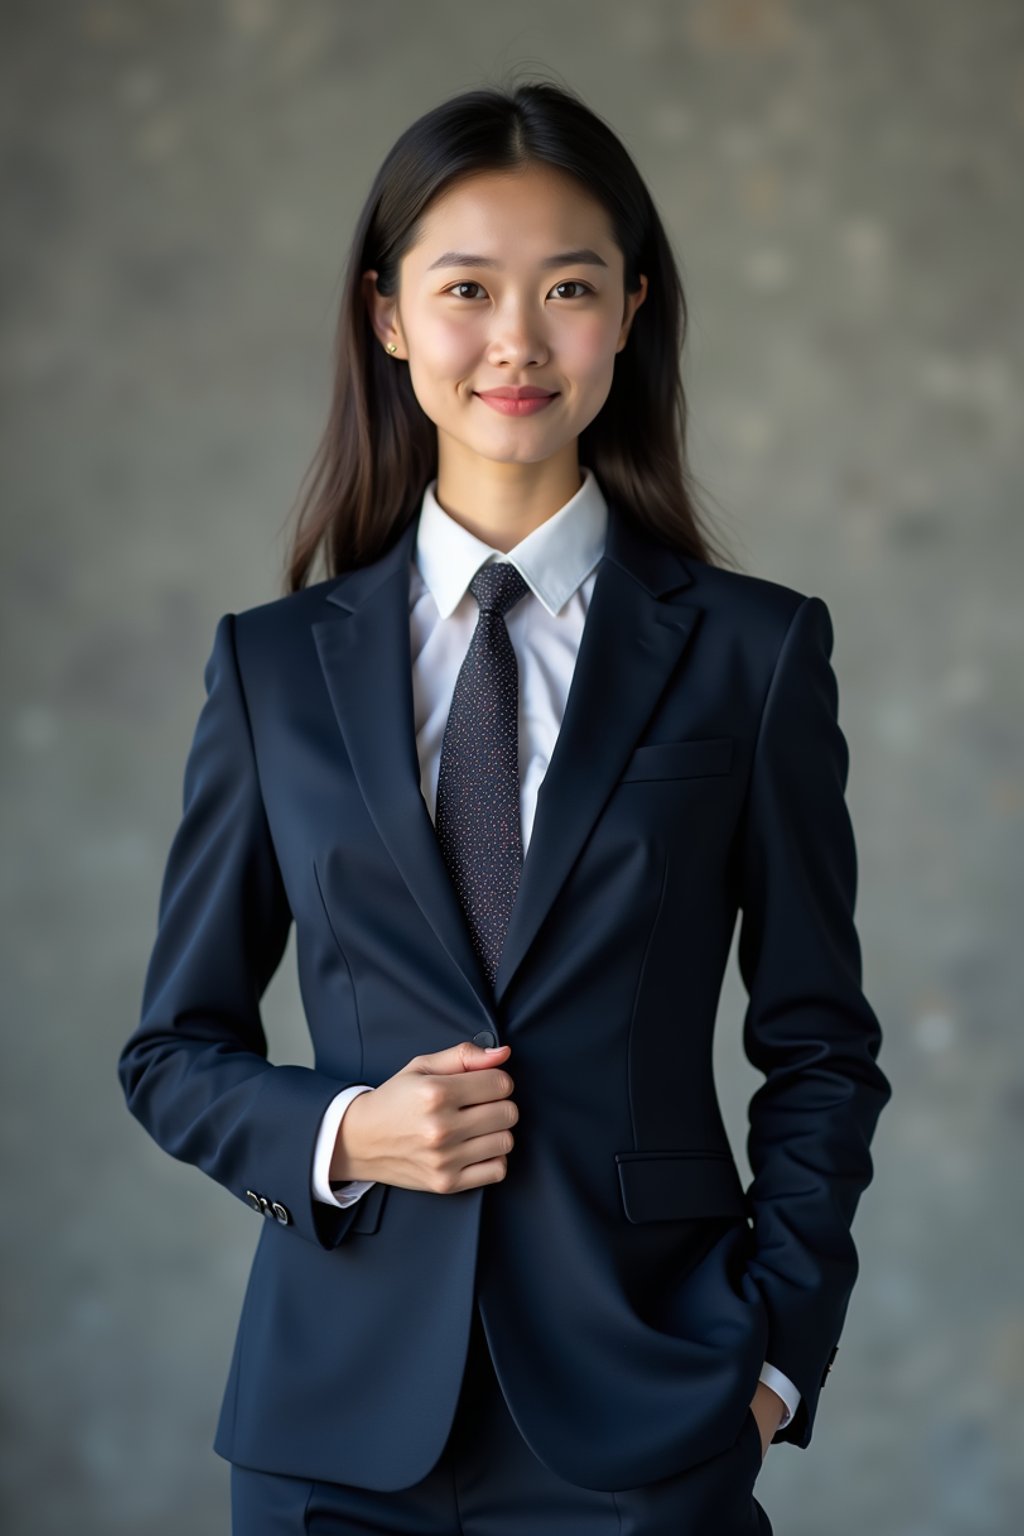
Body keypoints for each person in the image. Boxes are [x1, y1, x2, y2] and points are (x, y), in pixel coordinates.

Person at [117, 76, 892, 1536]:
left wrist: (778, 1351)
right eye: (467, 287)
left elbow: (820, 1045)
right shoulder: (275, 667)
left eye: (571, 288)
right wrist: (345, 1131)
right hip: (330, 1437)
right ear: (390, 315)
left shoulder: (755, 651)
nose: (519, 341)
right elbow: (174, 1049)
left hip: (648, 1418)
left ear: (633, 310)